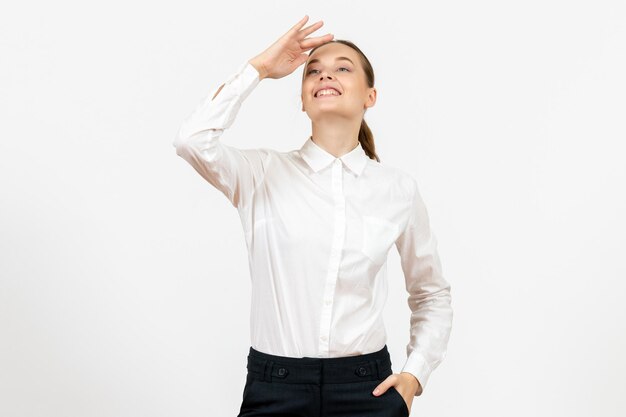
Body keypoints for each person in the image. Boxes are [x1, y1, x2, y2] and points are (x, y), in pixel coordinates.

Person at [172, 14, 453, 417]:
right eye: (313, 72)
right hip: (275, 388)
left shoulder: (397, 190)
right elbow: (191, 140)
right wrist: (260, 69)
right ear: (302, 100)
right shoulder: (260, 175)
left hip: (367, 390)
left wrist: (415, 374)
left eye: (342, 68)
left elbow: (431, 293)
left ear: (370, 96)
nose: (325, 76)